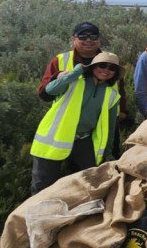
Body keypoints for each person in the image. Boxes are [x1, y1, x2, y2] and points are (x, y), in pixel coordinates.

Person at [30, 52, 124, 194]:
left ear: (115, 73)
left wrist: (108, 153)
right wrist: (74, 73)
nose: (106, 70)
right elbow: (50, 90)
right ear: (92, 67)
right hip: (54, 138)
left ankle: (83, 213)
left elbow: (110, 127)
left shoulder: (112, 95)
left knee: (93, 180)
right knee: (43, 184)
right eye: (102, 65)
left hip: (83, 140)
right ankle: (36, 214)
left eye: (112, 68)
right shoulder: (73, 81)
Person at [38, 22, 129, 158]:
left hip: (105, 123)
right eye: (82, 36)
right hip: (65, 126)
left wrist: (123, 112)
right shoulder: (60, 60)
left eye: (93, 36)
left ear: (99, 39)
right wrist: (60, 78)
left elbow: (120, 90)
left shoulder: (110, 60)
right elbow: (45, 94)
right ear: (73, 39)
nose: (88, 40)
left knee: (103, 164)